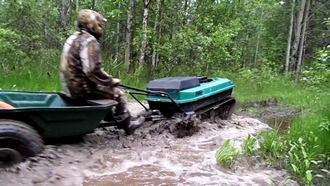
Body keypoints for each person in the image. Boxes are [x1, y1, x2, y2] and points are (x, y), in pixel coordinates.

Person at [60, 9, 144, 135]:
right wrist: (110, 81)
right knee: (118, 93)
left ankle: (109, 116)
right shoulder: (89, 40)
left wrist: (105, 80)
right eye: (99, 25)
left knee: (105, 88)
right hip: (81, 88)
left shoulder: (74, 37)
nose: (101, 28)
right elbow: (91, 71)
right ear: (91, 25)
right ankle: (127, 124)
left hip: (69, 85)